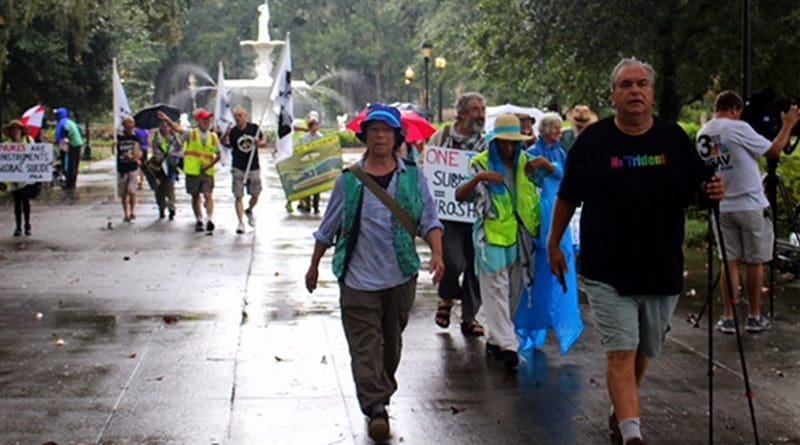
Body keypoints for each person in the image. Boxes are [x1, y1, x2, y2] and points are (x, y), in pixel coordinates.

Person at [547, 57, 724, 445]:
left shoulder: (674, 139)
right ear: (613, 95)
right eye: (626, 85)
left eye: (642, 84)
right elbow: (567, 196)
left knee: (645, 348)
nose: (634, 91)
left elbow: (698, 190)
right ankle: (632, 434)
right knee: (621, 349)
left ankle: (622, 407)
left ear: (652, 94)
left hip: (661, 267)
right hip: (607, 267)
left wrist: (713, 192)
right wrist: (554, 243)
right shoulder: (593, 143)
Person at [305, 103, 444, 442]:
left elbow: (429, 219)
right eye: (374, 130)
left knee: (391, 344)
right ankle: (376, 407)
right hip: (357, 279)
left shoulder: (412, 175)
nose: (380, 136)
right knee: (364, 345)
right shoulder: (350, 180)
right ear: (365, 135)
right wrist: (314, 265)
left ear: (398, 136)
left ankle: (381, 391)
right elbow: (329, 226)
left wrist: (438, 253)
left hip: (400, 274)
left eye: (386, 130)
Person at [696, 90, 800, 333]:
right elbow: (774, 151)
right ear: (735, 109)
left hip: (722, 205)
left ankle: (729, 317)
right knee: (755, 261)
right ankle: (754, 316)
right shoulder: (737, 128)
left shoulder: (704, 133)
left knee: (729, 261)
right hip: (750, 204)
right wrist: (788, 125)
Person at [455, 113, 543, 371]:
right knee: (495, 291)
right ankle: (508, 344)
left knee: (514, 292)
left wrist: (547, 167)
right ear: (494, 142)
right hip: (490, 238)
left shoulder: (527, 162)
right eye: (503, 142)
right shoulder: (480, 163)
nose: (507, 148)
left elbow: (553, 180)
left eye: (512, 142)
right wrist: (479, 179)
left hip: (521, 237)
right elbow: (461, 195)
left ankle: (496, 339)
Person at [515, 112, 585, 354]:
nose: (557, 132)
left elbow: (567, 177)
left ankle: (560, 315)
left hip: (558, 211)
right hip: (541, 211)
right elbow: (527, 179)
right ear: (544, 130)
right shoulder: (533, 151)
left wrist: (550, 166)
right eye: (553, 128)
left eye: (558, 128)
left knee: (563, 259)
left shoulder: (560, 152)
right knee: (540, 263)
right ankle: (533, 321)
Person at [427, 92, 487, 336]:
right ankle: (447, 297)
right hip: (447, 216)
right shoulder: (441, 139)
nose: (480, 114)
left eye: (483, 109)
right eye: (475, 109)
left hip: (477, 215)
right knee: (453, 261)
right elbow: (427, 169)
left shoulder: (486, 143)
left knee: (476, 266)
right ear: (461, 113)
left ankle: (469, 317)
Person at [158, 108, 220, 233]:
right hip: (193, 171)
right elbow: (178, 129)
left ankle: (209, 219)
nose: (207, 121)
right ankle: (199, 219)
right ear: (198, 121)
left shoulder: (213, 136)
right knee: (195, 196)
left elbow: (218, 154)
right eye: (204, 119)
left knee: (208, 195)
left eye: (209, 119)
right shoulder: (191, 134)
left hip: (207, 171)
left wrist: (209, 165)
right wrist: (167, 120)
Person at [223, 106, 266, 234]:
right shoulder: (233, 131)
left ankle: (249, 209)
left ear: (246, 116)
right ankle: (240, 222)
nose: (238, 118)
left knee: (256, 194)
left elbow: (264, 141)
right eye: (236, 116)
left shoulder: (254, 128)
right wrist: (225, 133)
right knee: (238, 196)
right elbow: (224, 143)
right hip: (238, 167)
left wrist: (259, 143)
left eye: (240, 115)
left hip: (253, 167)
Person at [3, 120, 38, 236]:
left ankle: (27, 225)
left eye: (17, 129)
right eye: (13, 130)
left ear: (21, 130)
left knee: (25, 201)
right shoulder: (6, 145)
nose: (15, 131)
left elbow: (37, 156)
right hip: (13, 178)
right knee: (17, 202)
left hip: (26, 178)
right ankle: (18, 227)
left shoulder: (29, 141)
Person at [149, 119, 183, 220]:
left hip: (170, 165)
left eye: (167, 126)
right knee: (158, 189)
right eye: (163, 126)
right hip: (158, 166)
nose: (165, 128)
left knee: (170, 188)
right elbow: (154, 150)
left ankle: (171, 207)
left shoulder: (174, 138)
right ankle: (161, 207)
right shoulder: (156, 137)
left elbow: (179, 149)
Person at [115, 116, 143, 222]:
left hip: (133, 167)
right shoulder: (118, 138)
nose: (130, 128)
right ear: (124, 126)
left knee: (131, 190)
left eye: (131, 125)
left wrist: (134, 157)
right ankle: (125, 213)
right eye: (127, 125)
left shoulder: (136, 138)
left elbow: (139, 153)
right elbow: (115, 151)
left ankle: (132, 212)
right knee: (124, 193)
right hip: (122, 168)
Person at [297, 111, 323, 214]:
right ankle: (307, 205)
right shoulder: (305, 138)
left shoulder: (321, 137)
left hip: (317, 164)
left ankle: (316, 206)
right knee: (308, 185)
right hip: (307, 164)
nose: (315, 127)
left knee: (317, 187)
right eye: (313, 125)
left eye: (316, 125)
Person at [54, 107, 84, 189]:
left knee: (69, 164)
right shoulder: (71, 122)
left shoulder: (62, 122)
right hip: (78, 143)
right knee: (75, 165)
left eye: (56, 115)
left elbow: (58, 136)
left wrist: (56, 141)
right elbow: (80, 130)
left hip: (72, 144)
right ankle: (73, 182)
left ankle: (69, 184)